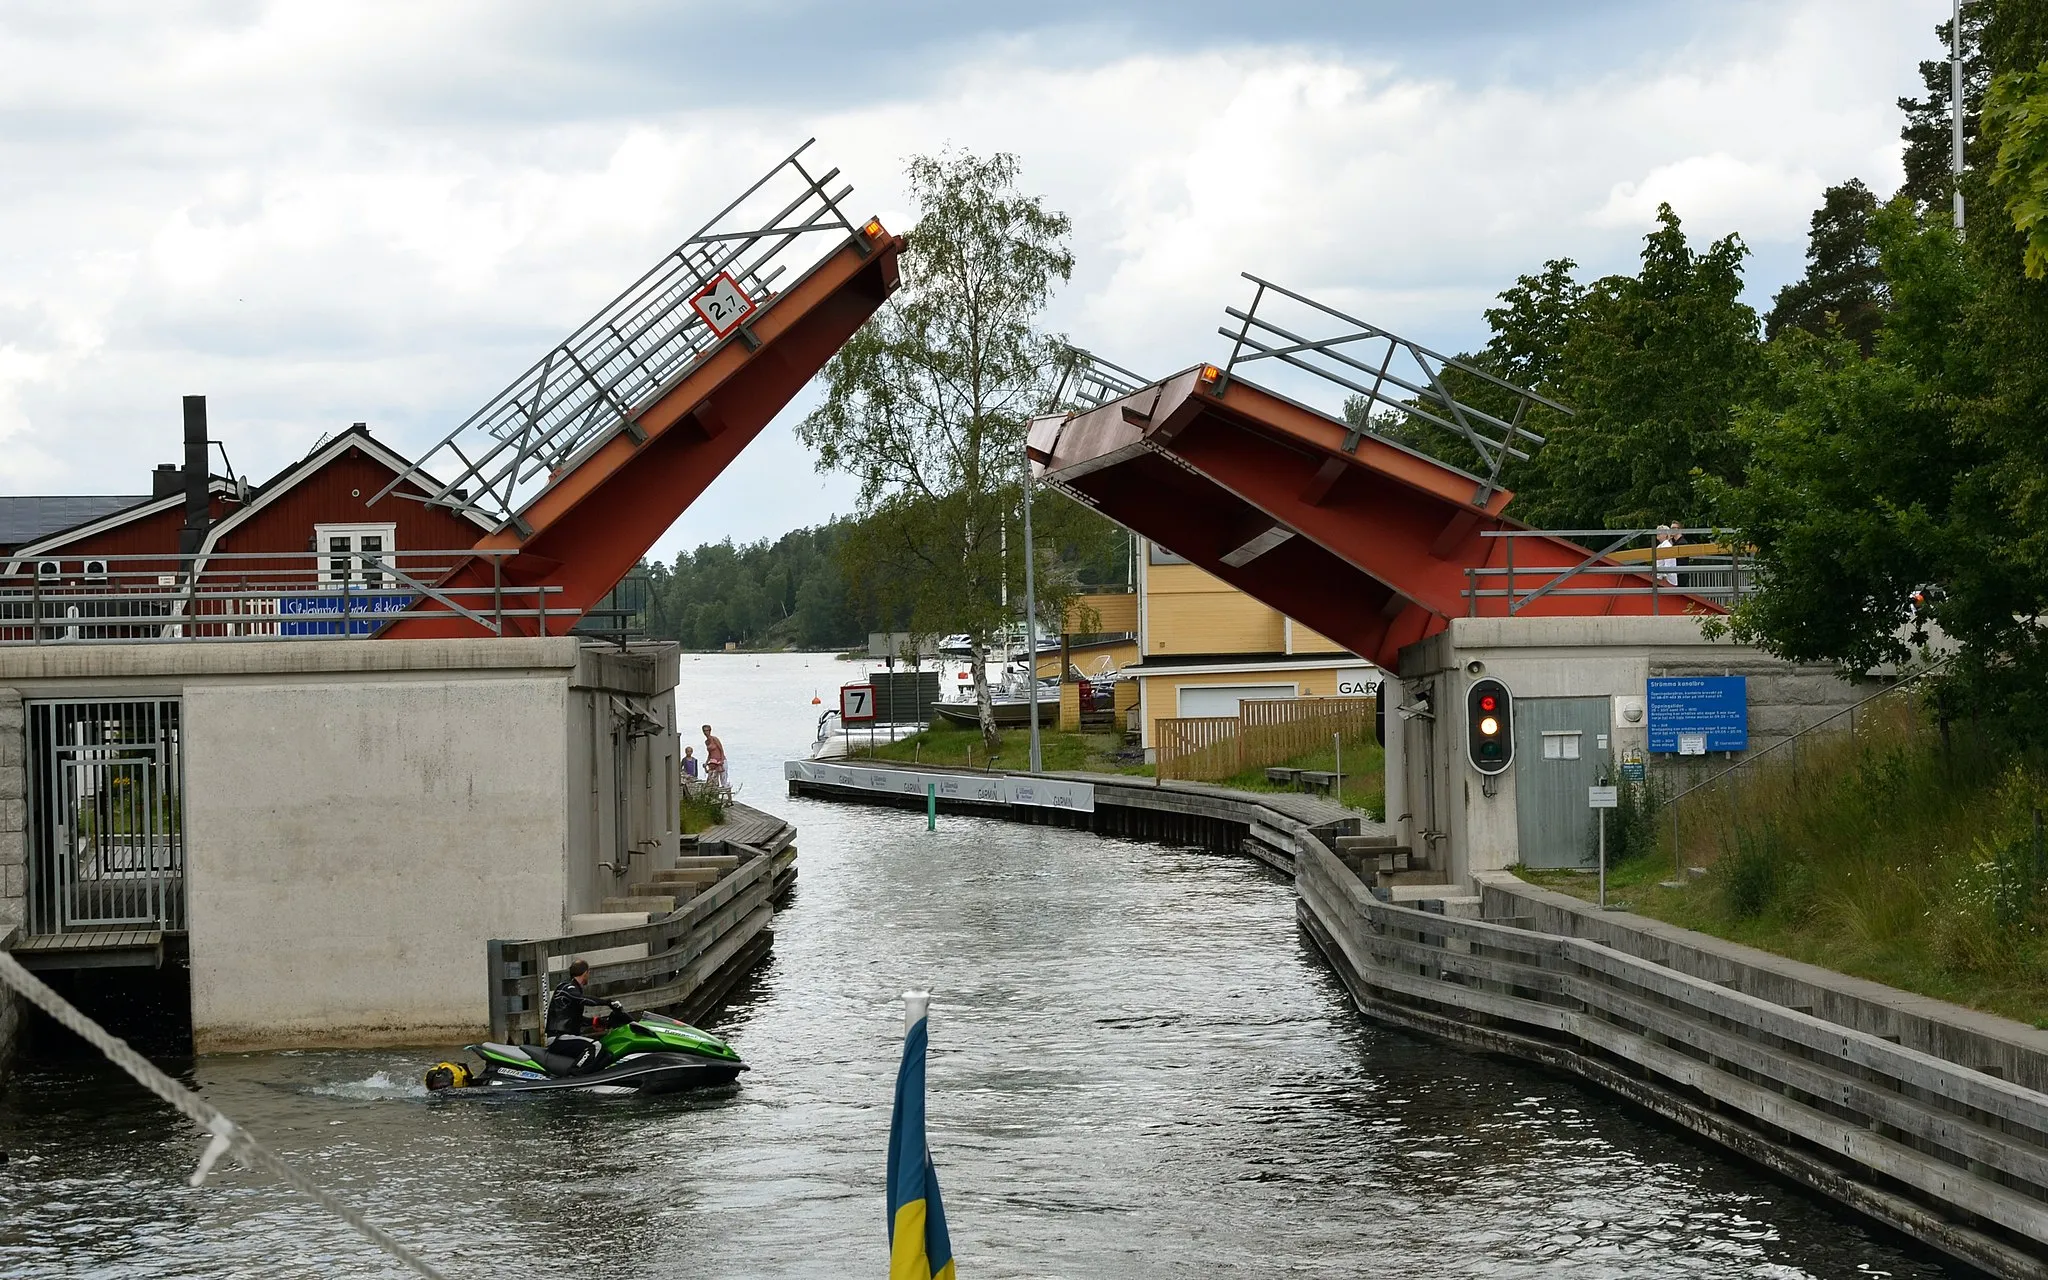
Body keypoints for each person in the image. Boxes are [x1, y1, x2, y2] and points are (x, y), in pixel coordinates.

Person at [545, 958, 618, 1073]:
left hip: (565, 1038)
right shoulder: (566, 988)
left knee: (602, 1047)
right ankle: (574, 1075)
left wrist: (594, 1022)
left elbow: (573, 1019)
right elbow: (583, 1000)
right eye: (589, 973)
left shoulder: (573, 990)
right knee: (595, 1046)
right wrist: (608, 1002)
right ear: (586, 973)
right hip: (558, 1038)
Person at [702, 725, 727, 794]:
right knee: (713, 779)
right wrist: (706, 762)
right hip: (713, 762)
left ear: (710, 731)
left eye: (707, 730)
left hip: (720, 760)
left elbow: (721, 750)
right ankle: (715, 796)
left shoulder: (714, 739)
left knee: (723, 779)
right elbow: (709, 754)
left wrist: (721, 760)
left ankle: (729, 798)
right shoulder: (706, 742)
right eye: (704, 731)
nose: (706, 732)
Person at [1653, 524, 1679, 589]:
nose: (1658, 533)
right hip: (1659, 579)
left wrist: (1664, 579)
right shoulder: (1660, 547)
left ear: (1666, 535)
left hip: (1667, 581)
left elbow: (1668, 564)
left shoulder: (1667, 547)